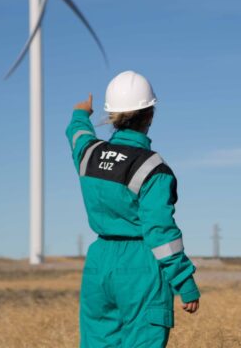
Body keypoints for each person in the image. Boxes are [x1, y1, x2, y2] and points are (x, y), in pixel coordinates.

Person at [66, 70, 200, 348]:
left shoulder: (89, 154)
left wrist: (81, 113)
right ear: (149, 115)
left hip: (99, 262)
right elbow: (160, 231)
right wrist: (184, 283)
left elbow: (77, 134)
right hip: (141, 264)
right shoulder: (153, 169)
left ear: (111, 115)